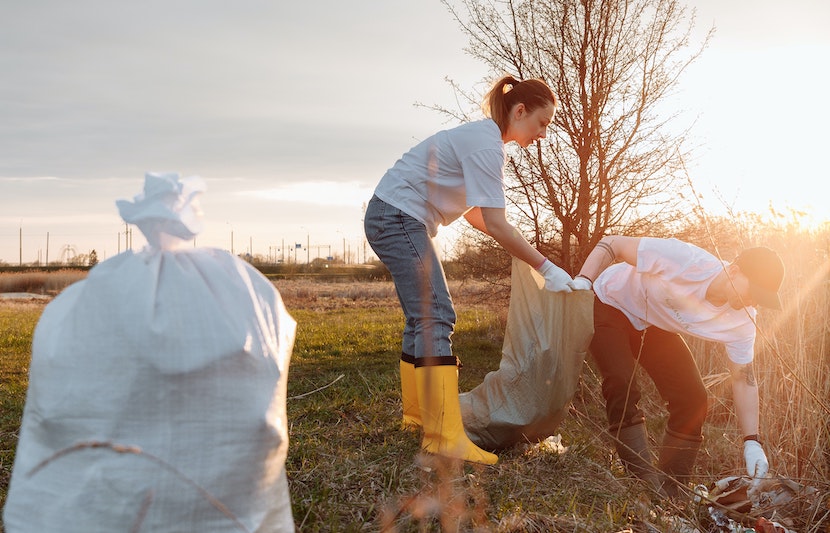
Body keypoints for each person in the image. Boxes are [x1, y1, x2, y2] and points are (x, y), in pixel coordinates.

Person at [364, 76, 576, 465]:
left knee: (422, 318)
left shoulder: (484, 140)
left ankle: (418, 420)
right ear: (520, 110)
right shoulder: (486, 145)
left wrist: (522, 251)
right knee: (437, 315)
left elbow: (479, 215)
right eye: (542, 123)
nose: (543, 134)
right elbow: (495, 222)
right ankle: (444, 436)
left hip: (393, 215)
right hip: (397, 216)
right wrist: (546, 266)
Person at [572, 236, 784, 496]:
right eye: (753, 291)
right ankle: (643, 485)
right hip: (610, 302)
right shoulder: (686, 260)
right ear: (734, 271)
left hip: (652, 324)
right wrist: (584, 279)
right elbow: (613, 243)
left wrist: (752, 441)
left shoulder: (742, 321)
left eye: (761, 298)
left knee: (693, 398)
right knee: (621, 381)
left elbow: (744, 378)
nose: (754, 302)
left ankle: (672, 492)